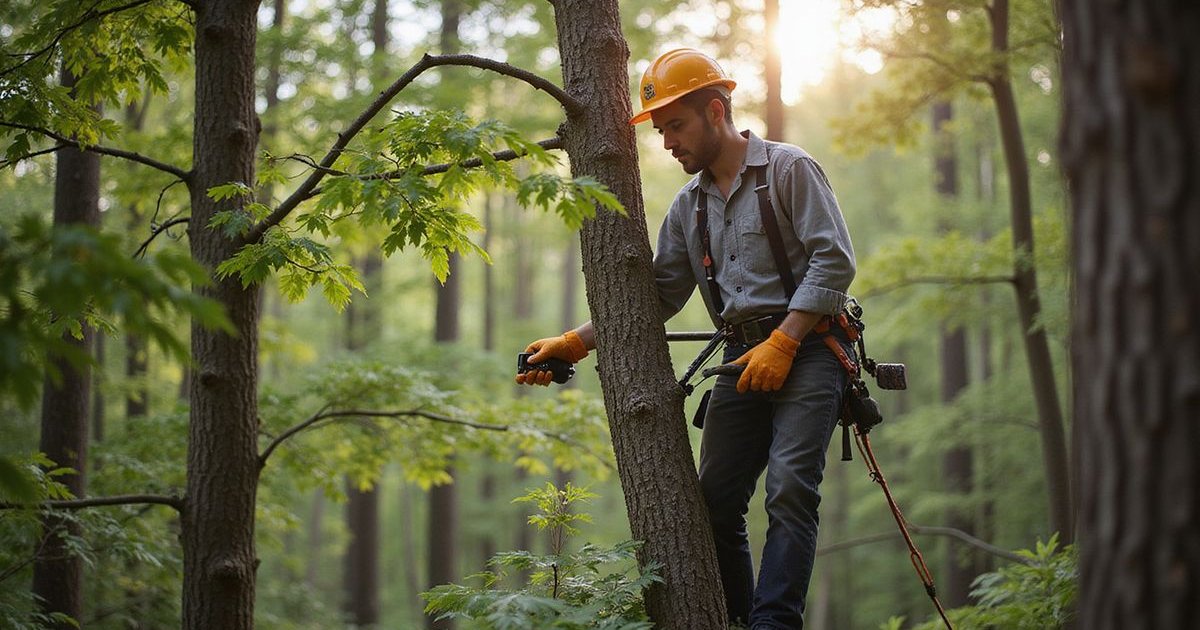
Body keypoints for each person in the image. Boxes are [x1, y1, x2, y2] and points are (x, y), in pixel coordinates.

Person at [516, 48, 856, 629]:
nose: (667, 141)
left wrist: (786, 340)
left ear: (716, 111)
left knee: (790, 490)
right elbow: (654, 301)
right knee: (715, 505)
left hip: (811, 349)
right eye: (661, 129)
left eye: (676, 124)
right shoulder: (687, 207)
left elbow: (835, 263)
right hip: (739, 357)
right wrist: (575, 342)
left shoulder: (789, 170)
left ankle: (774, 624)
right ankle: (738, 618)